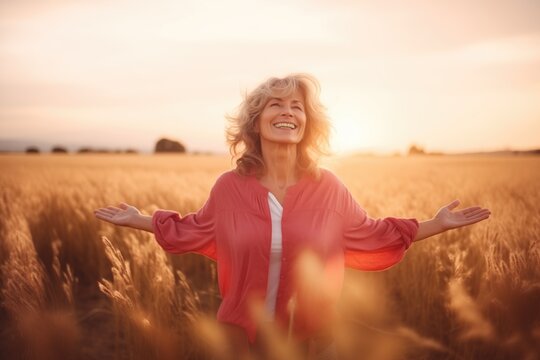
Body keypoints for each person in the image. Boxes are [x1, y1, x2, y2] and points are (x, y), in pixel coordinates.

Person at [94, 73, 491, 359]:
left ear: (306, 124)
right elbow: (195, 229)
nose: (288, 112)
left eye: (297, 107)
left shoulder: (329, 187)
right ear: (256, 122)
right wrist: (139, 219)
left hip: (312, 342)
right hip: (241, 340)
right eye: (276, 105)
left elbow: (372, 234)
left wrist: (437, 225)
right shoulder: (230, 188)